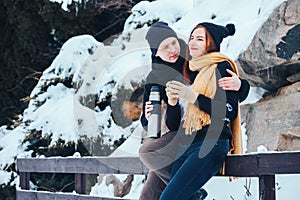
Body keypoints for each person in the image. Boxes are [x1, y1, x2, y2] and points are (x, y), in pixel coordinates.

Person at [139, 22, 249, 200]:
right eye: (164, 47)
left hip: (204, 132)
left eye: (173, 42)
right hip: (178, 133)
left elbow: (228, 98)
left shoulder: (193, 59)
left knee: (166, 190)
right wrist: (147, 116)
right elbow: (151, 123)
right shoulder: (154, 78)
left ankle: (190, 192)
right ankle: (191, 193)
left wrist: (241, 85)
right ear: (155, 53)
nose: (172, 49)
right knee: (149, 195)